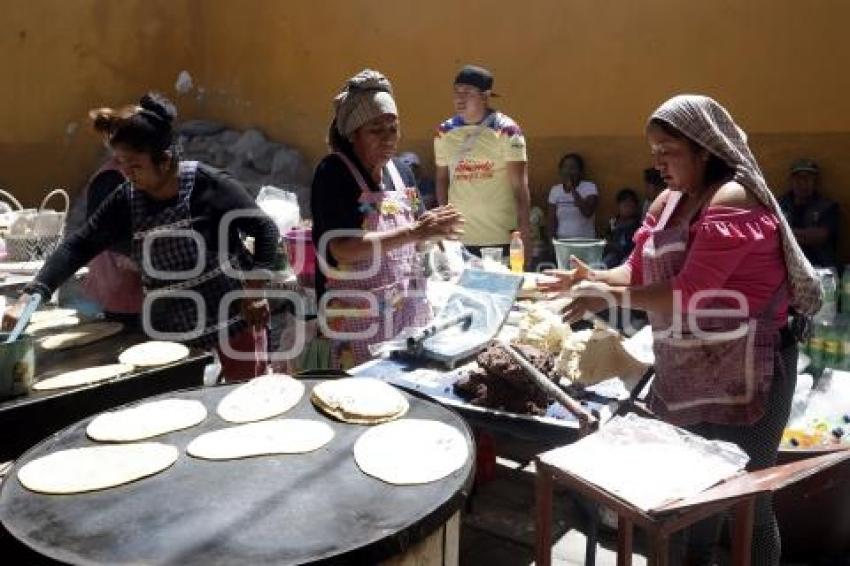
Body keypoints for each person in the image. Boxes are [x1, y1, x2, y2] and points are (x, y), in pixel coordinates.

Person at [540, 95, 821, 564]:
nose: (658, 162)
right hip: (692, 364)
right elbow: (637, 271)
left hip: (752, 365)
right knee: (695, 486)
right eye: (654, 151)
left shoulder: (733, 196)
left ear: (704, 149)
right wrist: (590, 280)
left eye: (668, 150)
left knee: (747, 498)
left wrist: (605, 296)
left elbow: (690, 291)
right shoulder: (668, 202)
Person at [3, 93, 279, 381]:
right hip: (174, 330)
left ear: (164, 160)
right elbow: (79, 245)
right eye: (121, 164)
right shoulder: (127, 199)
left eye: (135, 165)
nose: (126, 173)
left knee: (243, 401)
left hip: (232, 320)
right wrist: (31, 294)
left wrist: (255, 289)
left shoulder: (209, 186)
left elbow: (265, 229)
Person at [311, 69, 464, 370]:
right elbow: (341, 248)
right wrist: (415, 231)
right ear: (353, 135)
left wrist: (435, 232)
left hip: (406, 312)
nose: (388, 138)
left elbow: (416, 240)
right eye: (376, 130)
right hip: (356, 321)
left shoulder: (402, 173)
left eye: (393, 129)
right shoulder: (334, 173)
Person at [434, 64, 530, 263]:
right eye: (456, 92)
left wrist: (524, 236)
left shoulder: (508, 131)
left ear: (485, 95)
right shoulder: (443, 132)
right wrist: (444, 225)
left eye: (467, 93)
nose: (460, 99)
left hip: (501, 239)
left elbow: (520, 188)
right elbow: (442, 180)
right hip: (459, 240)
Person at [778, 158, 839, 270]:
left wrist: (783, 232)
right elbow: (770, 235)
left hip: (820, 267)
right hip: (786, 268)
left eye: (808, 178)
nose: (803, 183)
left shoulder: (828, 207)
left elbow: (819, 237)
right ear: (791, 180)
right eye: (798, 178)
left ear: (815, 182)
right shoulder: (778, 205)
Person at [547, 153, 599, 241]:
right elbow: (552, 219)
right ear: (560, 170)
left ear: (580, 171)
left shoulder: (589, 187)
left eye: (573, 168)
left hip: (585, 241)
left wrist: (572, 189)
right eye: (565, 167)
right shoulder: (555, 190)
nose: (568, 171)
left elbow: (587, 212)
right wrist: (551, 241)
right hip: (562, 242)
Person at [602, 188, 641, 268]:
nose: (628, 208)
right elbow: (606, 239)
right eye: (625, 205)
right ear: (618, 206)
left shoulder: (638, 225)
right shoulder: (613, 222)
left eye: (630, 205)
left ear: (635, 207)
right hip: (613, 254)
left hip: (629, 256)